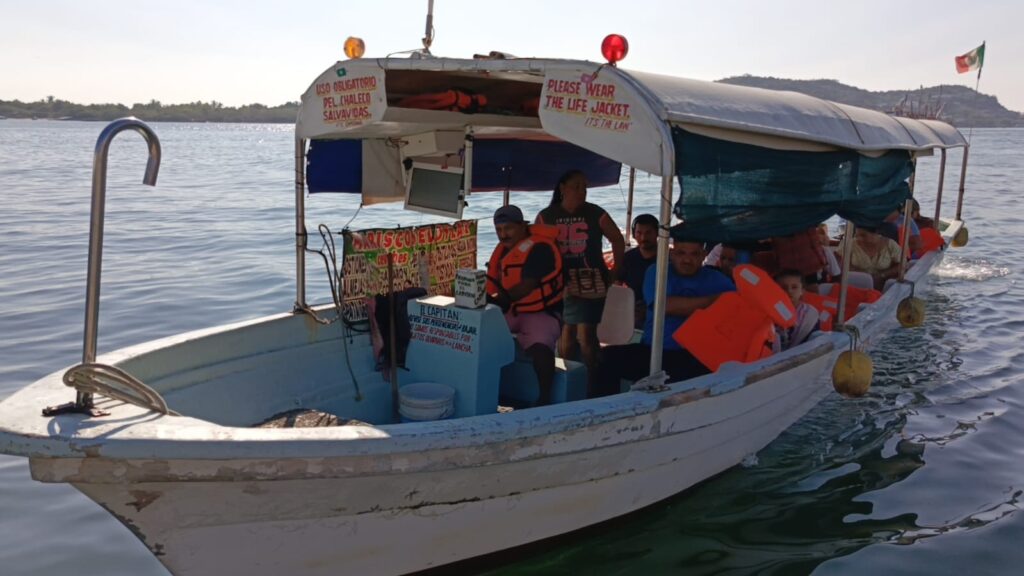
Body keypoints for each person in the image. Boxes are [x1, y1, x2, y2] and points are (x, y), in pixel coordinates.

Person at [596, 239, 735, 395]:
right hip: (654, 351)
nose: (687, 259)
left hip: (694, 356)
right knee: (605, 358)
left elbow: (735, 308)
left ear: (703, 255)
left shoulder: (717, 280)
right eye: (681, 253)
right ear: (672, 254)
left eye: (694, 254)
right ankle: (603, 408)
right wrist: (712, 301)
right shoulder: (657, 272)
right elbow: (664, 306)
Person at [536, 169, 625, 392]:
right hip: (559, 282)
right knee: (565, 330)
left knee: (586, 334)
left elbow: (617, 239)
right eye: (576, 186)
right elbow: (538, 249)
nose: (582, 191)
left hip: (591, 280)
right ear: (562, 188)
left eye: (585, 187)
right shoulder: (546, 216)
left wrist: (615, 272)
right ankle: (571, 382)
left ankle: (591, 382)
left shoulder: (596, 213)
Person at [486, 205, 564, 406]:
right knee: (479, 335)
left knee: (540, 346)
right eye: (499, 230)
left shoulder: (540, 248)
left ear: (522, 226)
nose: (503, 235)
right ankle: (485, 391)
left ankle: (544, 397)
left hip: (542, 311)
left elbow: (527, 286)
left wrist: (496, 301)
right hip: (513, 309)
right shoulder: (502, 252)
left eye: (508, 228)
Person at [617, 214, 658, 328]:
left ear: (657, 233)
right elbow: (616, 286)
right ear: (634, 234)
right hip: (633, 311)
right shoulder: (628, 258)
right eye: (639, 233)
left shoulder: (667, 259)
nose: (643, 238)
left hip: (662, 310)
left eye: (648, 233)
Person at [836, 228, 902, 290]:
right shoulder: (851, 244)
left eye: (863, 235)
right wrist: (863, 275)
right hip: (856, 285)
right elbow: (838, 260)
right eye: (857, 235)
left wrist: (882, 275)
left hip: (884, 286)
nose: (859, 238)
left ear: (875, 234)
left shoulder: (890, 245)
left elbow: (901, 265)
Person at [773, 270, 820, 351]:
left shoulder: (810, 314)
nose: (789, 291)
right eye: (783, 288)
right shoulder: (768, 312)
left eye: (794, 287)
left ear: (802, 290)